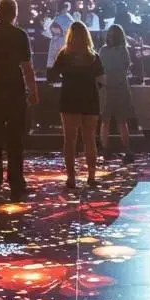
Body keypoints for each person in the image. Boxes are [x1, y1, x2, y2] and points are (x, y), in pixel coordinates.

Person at [0, 0, 39, 201]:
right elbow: (27, 67)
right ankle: (16, 182)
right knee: (15, 138)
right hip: (15, 90)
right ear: (15, 14)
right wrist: (33, 90)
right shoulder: (20, 35)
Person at [49, 21, 105, 188]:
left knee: (70, 141)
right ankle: (91, 176)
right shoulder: (93, 57)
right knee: (90, 139)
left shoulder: (64, 55)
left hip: (70, 99)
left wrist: (65, 77)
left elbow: (52, 76)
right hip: (90, 100)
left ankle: (71, 178)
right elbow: (102, 80)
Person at [99, 23, 136, 164]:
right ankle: (127, 149)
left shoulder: (103, 50)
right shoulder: (123, 50)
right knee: (122, 121)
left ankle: (105, 150)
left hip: (106, 88)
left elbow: (100, 68)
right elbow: (126, 67)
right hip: (120, 88)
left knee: (105, 121)